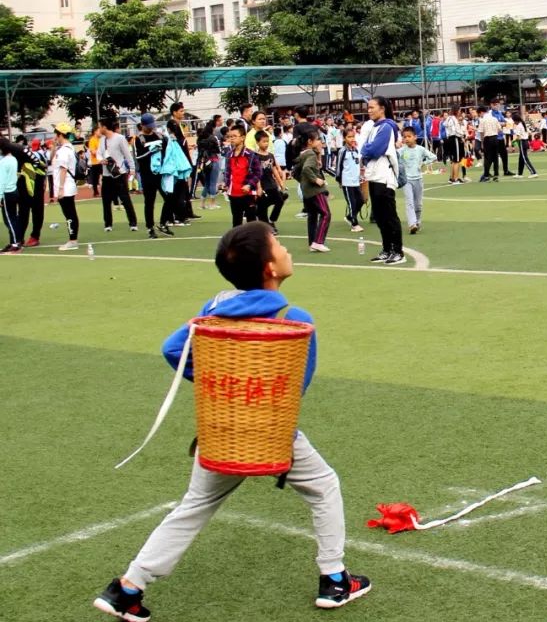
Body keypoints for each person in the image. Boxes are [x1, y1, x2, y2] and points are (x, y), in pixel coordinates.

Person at [92, 222, 371, 622]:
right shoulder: (294, 317)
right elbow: (295, 385)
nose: (286, 250)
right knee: (324, 486)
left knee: (195, 505)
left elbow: (174, 348)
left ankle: (128, 588)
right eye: (278, 245)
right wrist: (253, 389)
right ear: (269, 269)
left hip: (221, 430)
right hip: (271, 432)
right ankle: (335, 578)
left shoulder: (213, 309)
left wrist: (220, 385)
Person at [360, 95, 405, 265]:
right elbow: (364, 147)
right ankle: (387, 249)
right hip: (374, 175)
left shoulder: (386, 126)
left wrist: (366, 149)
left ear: (382, 108)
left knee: (389, 215)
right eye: (369, 107)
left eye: (372, 107)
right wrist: (366, 149)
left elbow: (373, 150)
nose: (369, 110)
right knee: (379, 215)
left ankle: (397, 250)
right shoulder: (375, 127)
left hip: (384, 176)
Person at [134, 113, 175, 239]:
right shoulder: (139, 139)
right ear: (142, 125)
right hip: (147, 175)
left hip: (161, 173)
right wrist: (150, 151)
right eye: (148, 126)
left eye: (153, 125)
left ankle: (163, 223)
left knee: (170, 197)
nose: (151, 128)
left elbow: (167, 151)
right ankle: (150, 228)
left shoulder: (159, 136)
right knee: (149, 202)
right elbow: (138, 157)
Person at [99, 115, 140, 233]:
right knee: (106, 201)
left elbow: (127, 154)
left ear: (105, 127)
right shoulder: (102, 140)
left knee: (125, 199)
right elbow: (98, 153)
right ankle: (108, 224)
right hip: (107, 174)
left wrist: (132, 168)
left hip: (120, 173)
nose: (99, 128)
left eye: (100, 126)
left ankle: (133, 223)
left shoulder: (120, 138)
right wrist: (101, 159)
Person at [294, 130, 331, 253]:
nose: (321, 142)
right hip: (315, 190)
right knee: (326, 214)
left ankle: (312, 242)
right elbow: (306, 169)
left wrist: (303, 182)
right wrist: (315, 180)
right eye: (318, 139)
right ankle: (318, 242)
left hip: (307, 191)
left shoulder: (303, 154)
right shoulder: (311, 154)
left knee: (312, 216)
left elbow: (295, 172)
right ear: (310, 142)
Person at [398, 127, 437, 235]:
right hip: (407, 180)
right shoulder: (401, 151)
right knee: (409, 202)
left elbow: (433, 157)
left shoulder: (420, 149)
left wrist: (424, 163)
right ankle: (412, 224)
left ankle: (418, 222)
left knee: (418, 204)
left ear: (415, 137)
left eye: (409, 136)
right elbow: (394, 158)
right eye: (404, 137)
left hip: (418, 179)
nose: (407, 139)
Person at [223, 124, 261, 228]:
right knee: (236, 221)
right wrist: (226, 184)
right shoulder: (228, 155)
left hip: (248, 193)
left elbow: (258, 173)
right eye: (230, 136)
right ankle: (238, 242)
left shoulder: (251, 154)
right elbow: (227, 172)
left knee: (251, 221)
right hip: (233, 193)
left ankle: (252, 242)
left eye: (234, 136)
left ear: (243, 137)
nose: (232, 139)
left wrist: (249, 185)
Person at [166, 102, 198, 224]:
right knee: (179, 188)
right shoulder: (172, 124)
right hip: (179, 162)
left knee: (184, 187)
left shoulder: (179, 124)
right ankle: (178, 215)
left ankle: (186, 212)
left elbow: (182, 142)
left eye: (183, 111)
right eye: (181, 111)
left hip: (184, 158)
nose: (183, 113)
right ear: (174, 112)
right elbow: (176, 143)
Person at [51, 129, 81, 251]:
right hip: (67, 186)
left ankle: (73, 240)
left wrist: (61, 189)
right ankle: (73, 239)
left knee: (69, 214)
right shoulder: (67, 148)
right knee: (69, 213)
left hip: (66, 186)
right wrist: (53, 147)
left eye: (56, 135)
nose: (55, 137)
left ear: (60, 135)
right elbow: (51, 159)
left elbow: (63, 169)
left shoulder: (64, 150)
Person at [255, 130, 288, 234]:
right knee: (262, 207)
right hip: (261, 184)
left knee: (280, 200)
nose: (266, 143)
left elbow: (274, 169)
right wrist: (258, 187)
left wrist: (280, 182)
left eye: (267, 141)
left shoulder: (270, 155)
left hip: (271, 183)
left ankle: (272, 220)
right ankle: (266, 227)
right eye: (263, 141)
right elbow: (255, 173)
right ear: (257, 142)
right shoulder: (255, 156)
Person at [336, 127, 364, 233]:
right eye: (349, 137)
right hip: (346, 181)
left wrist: (361, 175)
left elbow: (356, 165)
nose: (352, 139)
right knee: (351, 203)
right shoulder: (342, 151)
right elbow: (339, 166)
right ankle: (354, 224)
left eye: (353, 136)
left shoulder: (355, 149)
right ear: (344, 138)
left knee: (360, 201)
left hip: (355, 181)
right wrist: (339, 180)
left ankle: (349, 216)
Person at [0, 140, 23, 253]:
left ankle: (15, 243)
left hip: (7, 193)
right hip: (14, 191)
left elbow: (1, 181)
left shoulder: (3, 162)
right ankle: (14, 241)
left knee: (8, 219)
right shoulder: (14, 159)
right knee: (13, 217)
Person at [196, 120, 223, 210]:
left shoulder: (200, 138)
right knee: (213, 183)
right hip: (213, 160)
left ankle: (202, 204)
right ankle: (212, 203)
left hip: (204, 162)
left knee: (207, 183)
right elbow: (218, 150)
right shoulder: (212, 138)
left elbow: (199, 150)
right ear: (213, 128)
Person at [477, 105, 502, 183]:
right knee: (495, 157)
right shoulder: (494, 119)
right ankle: (496, 175)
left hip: (487, 139)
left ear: (481, 112)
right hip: (495, 138)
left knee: (487, 158)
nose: (479, 116)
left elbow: (481, 132)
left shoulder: (482, 120)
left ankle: (486, 176)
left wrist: (481, 142)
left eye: (479, 114)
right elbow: (500, 129)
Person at [511, 111, 538, 178]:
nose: (514, 122)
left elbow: (518, 137)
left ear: (516, 120)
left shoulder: (518, 126)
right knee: (521, 158)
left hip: (522, 142)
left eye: (514, 121)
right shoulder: (523, 124)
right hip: (525, 141)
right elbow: (529, 133)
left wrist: (514, 141)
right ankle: (520, 174)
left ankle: (533, 172)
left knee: (525, 158)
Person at [443, 106, 466, 185]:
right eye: (459, 110)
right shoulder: (453, 119)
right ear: (456, 111)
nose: (460, 112)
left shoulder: (449, 118)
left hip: (451, 138)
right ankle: (455, 179)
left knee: (454, 160)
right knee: (457, 160)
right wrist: (462, 135)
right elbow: (455, 130)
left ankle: (452, 178)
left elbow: (445, 125)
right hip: (455, 138)